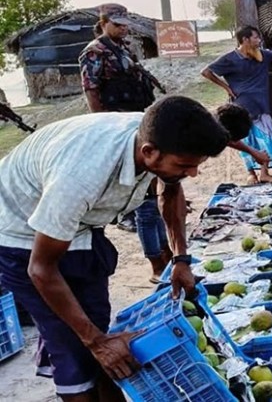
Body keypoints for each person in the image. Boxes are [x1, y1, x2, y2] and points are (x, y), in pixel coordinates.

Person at [0, 96, 228, 401]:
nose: (193, 173)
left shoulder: (158, 134)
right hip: (19, 233)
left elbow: (171, 191)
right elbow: (40, 268)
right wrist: (95, 341)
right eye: (185, 166)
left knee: (100, 326)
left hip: (79, 228)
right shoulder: (82, 175)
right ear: (149, 152)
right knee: (71, 342)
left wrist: (181, 259)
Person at [80, 3, 170, 283]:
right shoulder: (95, 51)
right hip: (119, 130)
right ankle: (156, 264)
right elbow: (91, 91)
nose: (123, 29)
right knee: (144, 203)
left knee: (152, 194)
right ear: (103, 23)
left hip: (137, 124)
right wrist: (105, 127)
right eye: (117, 24)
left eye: (125, 25)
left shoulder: (123, 48)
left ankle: (165, 253)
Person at [201, 26, 272, 185]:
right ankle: (251, 174)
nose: (259, 40)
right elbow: (206, 72)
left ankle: (264, 173)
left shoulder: (262, 55)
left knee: (267, 141)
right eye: (256, 37)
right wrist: (226, 88)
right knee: (246, 142)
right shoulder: (229, 59)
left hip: (261, 107)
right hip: (242, 110)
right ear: (245, 39)